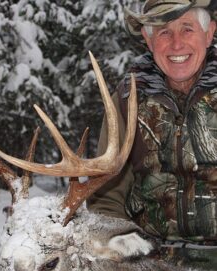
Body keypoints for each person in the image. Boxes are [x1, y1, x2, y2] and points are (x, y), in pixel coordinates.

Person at [87, 0, 217, 254]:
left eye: (187, 29)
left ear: (210, 33)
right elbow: (105, 194)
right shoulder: (128, 99)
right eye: (164, 32)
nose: (176, 44)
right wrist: (119, 238)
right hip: (151, 259)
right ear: (148, 41)